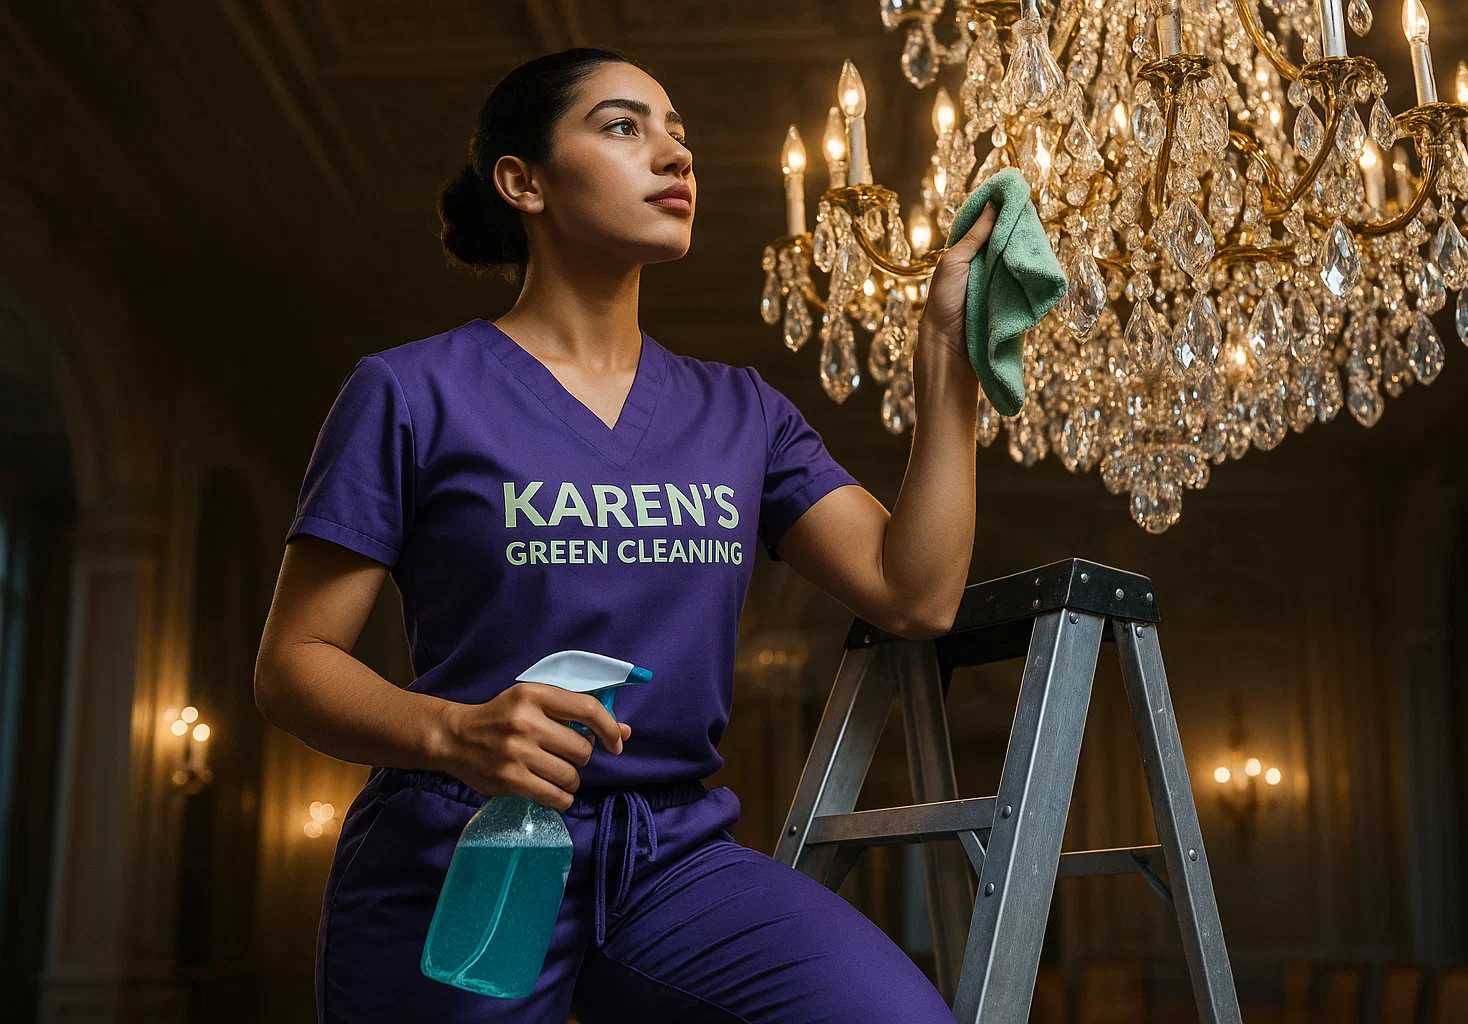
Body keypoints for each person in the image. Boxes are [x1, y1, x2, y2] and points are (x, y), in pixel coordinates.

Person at [254, 45, 997, 1024]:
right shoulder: (410, 392)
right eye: (623, 126)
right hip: (470, 850)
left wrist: (946, 350)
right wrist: (453, 730)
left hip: (670, 853)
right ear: (522, 182)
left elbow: (916, 591)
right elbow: (291, 665)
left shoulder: (742, 412)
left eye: (678, 133)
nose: (675, 155)